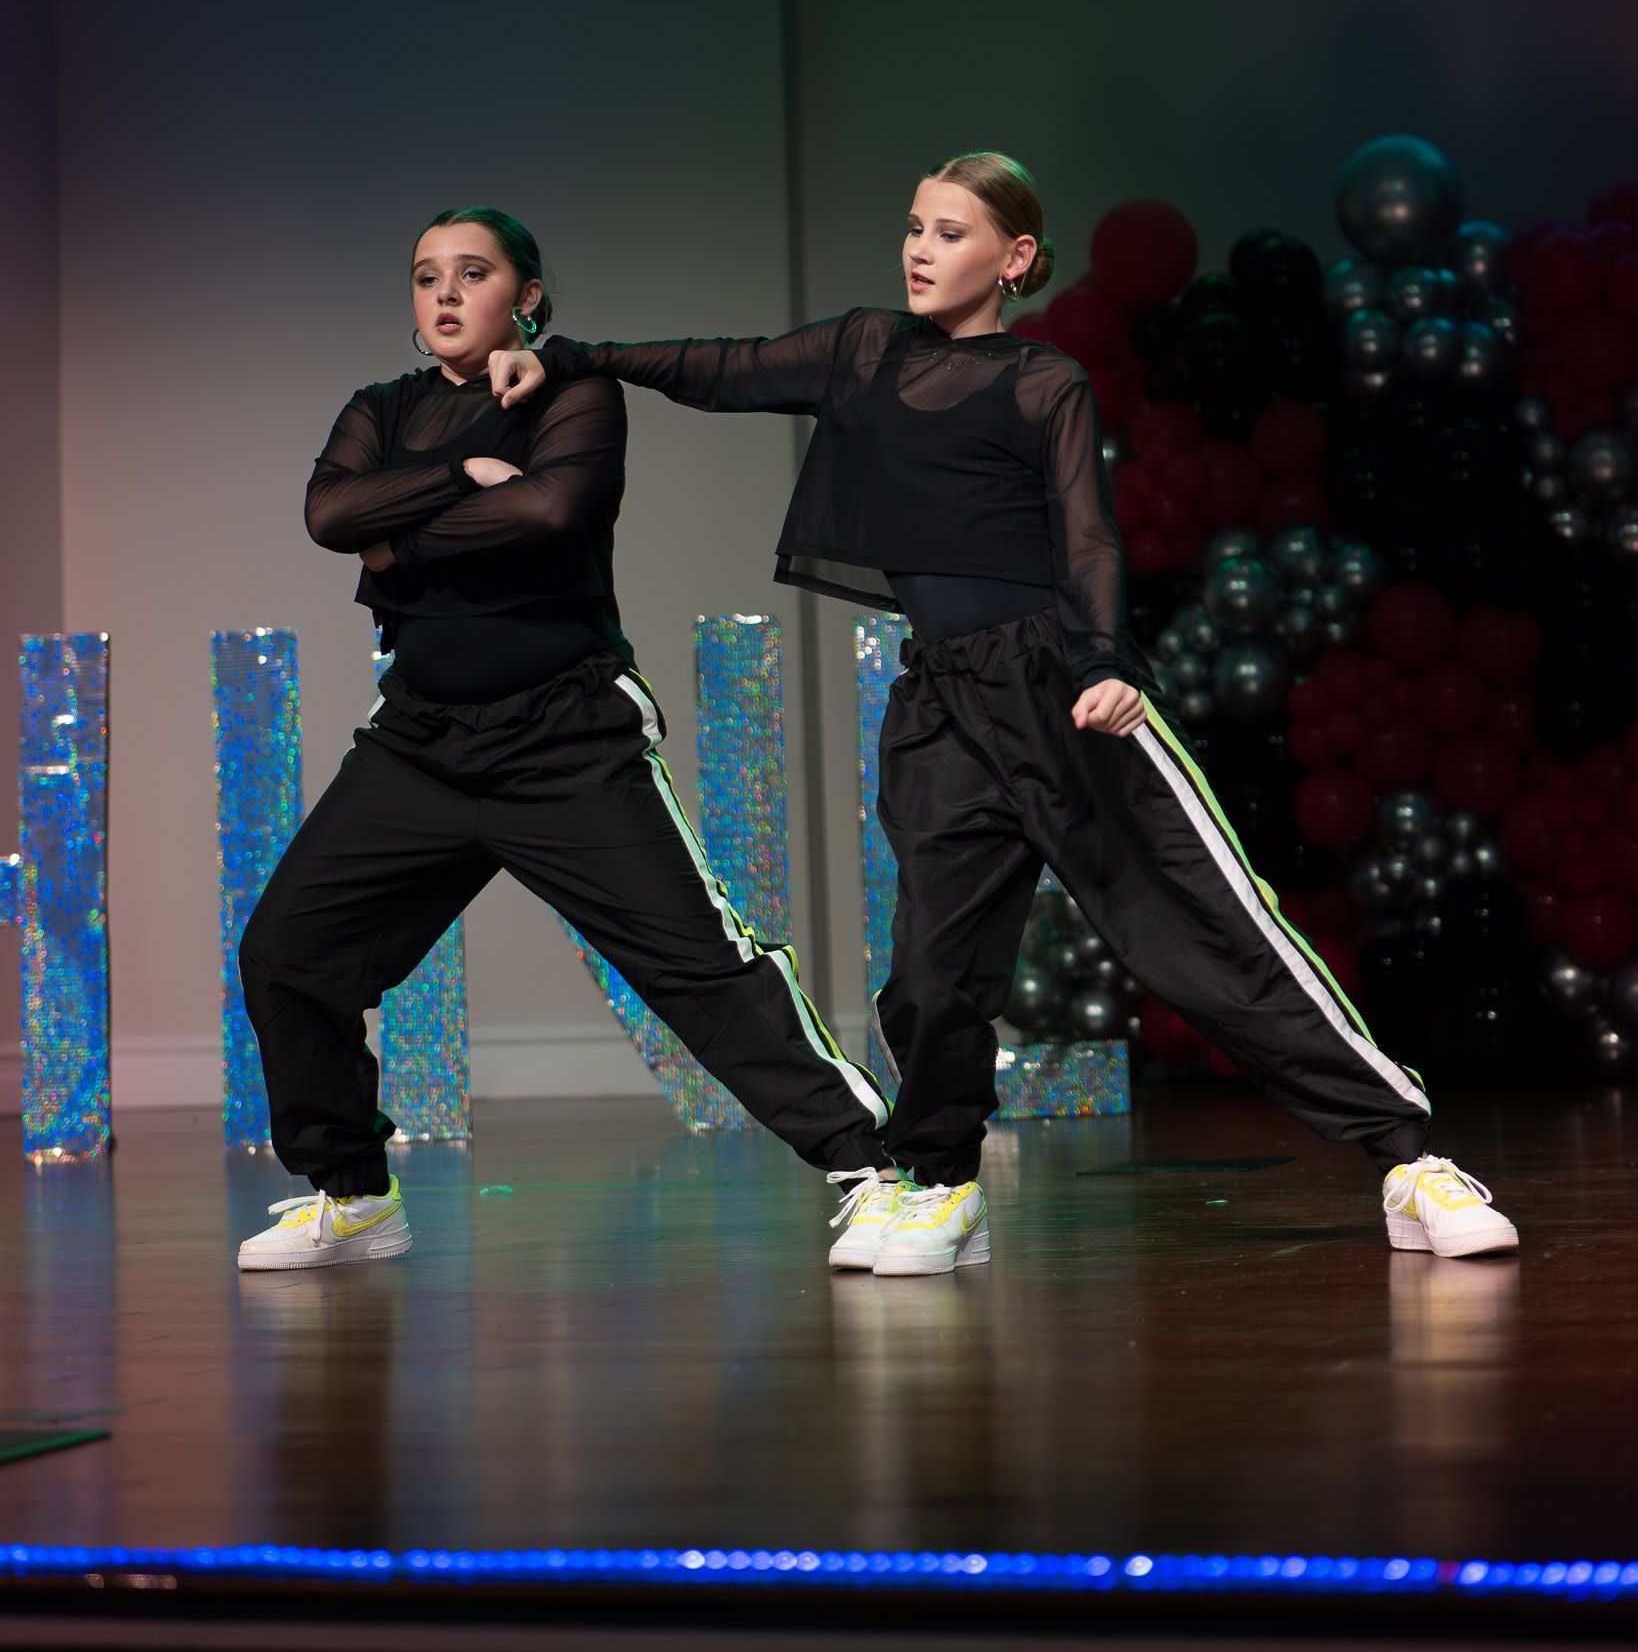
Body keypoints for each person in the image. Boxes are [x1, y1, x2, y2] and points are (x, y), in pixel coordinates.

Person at [490, 153, 1520, 1278]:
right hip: (941, 702)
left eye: (950, 232)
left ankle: (1408, 1155)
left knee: (1206, 936)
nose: (920, 249)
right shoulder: (862, 349)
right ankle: (940, 1183)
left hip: (1061, 690)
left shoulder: (1043, 381)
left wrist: (1106, 660)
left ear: (1014, 258)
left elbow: (1088, 537)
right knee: (932, 971)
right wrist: (570, 358)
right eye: (914, 226)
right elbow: (722, 367)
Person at [234, 207, 890, 1271]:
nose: (443, 293)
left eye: (473, 272)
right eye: (425, 275)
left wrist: (396, 541)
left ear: (527, 297)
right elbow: (327, 511)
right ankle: (353, 1193)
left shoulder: (572, 391)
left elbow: (550, 511)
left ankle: (882, 1167)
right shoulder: (381, 408)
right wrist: (458, 479)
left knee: (702, 965)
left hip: (564, 735)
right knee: (286, 952)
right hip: (421, 743)